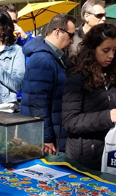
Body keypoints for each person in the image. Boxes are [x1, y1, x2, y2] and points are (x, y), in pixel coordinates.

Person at [62, 23, 116, 171]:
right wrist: (106, 117)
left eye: (114, 50)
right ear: (92, 49)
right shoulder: (77, 78)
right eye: (106, 50)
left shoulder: (112, 76)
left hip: (109, 151)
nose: (111, 55)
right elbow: (70, 121)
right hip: (83, 157)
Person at [21, 14, 76, 155]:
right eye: (71, 35)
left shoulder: (56, 57)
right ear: (58, 32)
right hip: (46, 139)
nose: (72, 41)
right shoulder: (43, 59)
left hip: (54, 132)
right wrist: (45, 138)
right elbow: (37, 103)